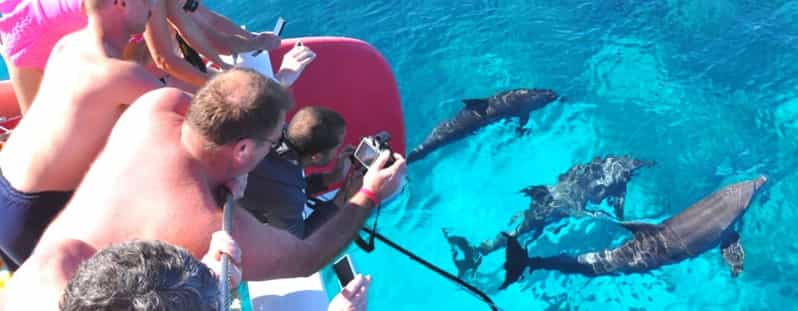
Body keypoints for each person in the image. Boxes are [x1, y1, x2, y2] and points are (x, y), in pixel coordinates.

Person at [20, 68, 404, 307]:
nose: (273, 151)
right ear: (241, 149)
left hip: (31, 278)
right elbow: (305, 257)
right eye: (271, 145)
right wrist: (369, 193)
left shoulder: (157, 106)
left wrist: (227, 172)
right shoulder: (210, 223)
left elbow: (219, 107)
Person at [0, 0, 162, 268]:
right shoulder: (119, 74)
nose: (154, 4)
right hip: (35, 216)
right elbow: (200, 122)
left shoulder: (70, 46)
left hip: (7, 186)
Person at [241, 106, 355, 238]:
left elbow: (280, 185)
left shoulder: (268, 131)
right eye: (336, 148)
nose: (337, 153)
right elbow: (298, 239)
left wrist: (332, 177)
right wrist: (345, 196)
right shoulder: (288, 198)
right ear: (316, 157)